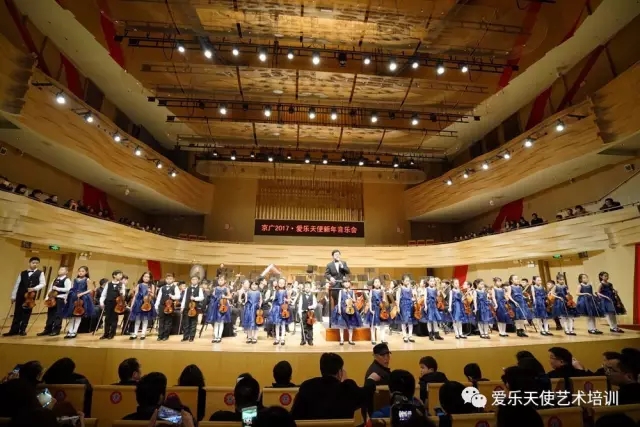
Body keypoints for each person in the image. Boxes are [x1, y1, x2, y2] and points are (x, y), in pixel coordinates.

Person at [291, 352, 377, 420]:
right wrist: (371, 379)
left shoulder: (307, 386)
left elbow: (295, 415)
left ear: (321, 370)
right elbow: (366, 394)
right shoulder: (347, 387)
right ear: (340, 372)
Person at [3, 257, 46, 336]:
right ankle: (13, 330)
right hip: (20, 295)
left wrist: (34, 288)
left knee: (26, 313)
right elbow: (17, 284)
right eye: (33, 263)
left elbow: (43, 284)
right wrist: (13, 296)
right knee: (17, 313)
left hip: (30, 296)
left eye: (37, 263)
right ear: (29, 263)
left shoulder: (40, 273)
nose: (35, 264)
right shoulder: (22, 273)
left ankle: (22, 330)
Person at [37, 266, 72, 336]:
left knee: (58, 315)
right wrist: (47, 297)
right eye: (59, 269)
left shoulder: (67, 280)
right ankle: (47, 329)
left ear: (66, 272)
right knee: (50, 314)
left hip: (60, 299)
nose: (60, 271)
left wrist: (58, 289)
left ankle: (56, 330)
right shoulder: (55, 279)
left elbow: (68, 289)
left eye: (62, 270)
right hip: (52, 298)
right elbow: (50, 289)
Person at [63, 266, 95, 338]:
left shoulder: (87, 279)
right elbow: (72, 288)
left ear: (86, 272)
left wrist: (82, 294)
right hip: (73, 298)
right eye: (79, 271)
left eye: (83, 271)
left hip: (82, 299)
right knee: (72, 315)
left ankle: (74, 331)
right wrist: (67, 297)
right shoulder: (75, 279)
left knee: (78, 315)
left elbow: (91, 289)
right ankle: (70, 331)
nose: (81, 272)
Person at [332, 280, 362, 345]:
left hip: (350, 309)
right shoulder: (341, 291)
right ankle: (341, 339)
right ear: (343, 283)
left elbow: (354, 301)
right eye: (345, 282)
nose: (347, 283)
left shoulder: (352, 291)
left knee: (351, 325)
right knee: (341, 325)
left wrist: (351, 298)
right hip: (342, 309)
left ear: (350, 283)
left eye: (348, 282)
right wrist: (339, 309)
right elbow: (339, 301)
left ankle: (350, 340)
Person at [129, 271, 156, 340]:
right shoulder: (139, 285)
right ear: (142, 277)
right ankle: (135, 333)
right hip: (138, 303)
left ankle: (143, 334)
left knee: (145, 319)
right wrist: (132, 304)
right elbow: (135, 295)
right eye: (145, 276)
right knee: (137, 319)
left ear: (150, 278)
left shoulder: (152, 286)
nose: (146, 278)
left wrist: (150, 292)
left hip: (147, 303)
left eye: (148, 277)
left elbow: (153, 296)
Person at [204, 275, 232, 343]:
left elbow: (230, 297)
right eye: (219, 280)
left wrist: (225, 296)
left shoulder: (226, 288)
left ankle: (219, 336)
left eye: (222, 280)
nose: (220, 281)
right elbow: (212, 297)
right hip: (216, 306)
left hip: (223, 306)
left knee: (221, 322)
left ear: (224, 281)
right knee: (216, 322)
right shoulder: (215, 288)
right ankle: (215, 336)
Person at [99, 270, 125, 340]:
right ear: (114, 275)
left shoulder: (122, 285)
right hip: (108, 303)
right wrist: (101, 302)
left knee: (114, 319)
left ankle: (112, 333)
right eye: (119, 275)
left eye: (121, 275)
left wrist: (121, 293)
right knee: (107, 318)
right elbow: (103, 294)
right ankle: (106, 333)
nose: (121, 276)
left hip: (117, 304)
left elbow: (123, 296)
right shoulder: (108, 284)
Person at [154, 273, 181, 341]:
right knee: (161, 321)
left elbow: (178, 296)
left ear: (173, 279)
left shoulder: (175, 287)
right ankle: (160, 335)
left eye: (170, 279)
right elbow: (159, 297)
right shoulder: (162, 288)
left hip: (170, 306)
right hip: (162, 305)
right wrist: (156, 306)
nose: (169, 280)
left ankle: (166, 335)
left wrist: (172, 296)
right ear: (166, 280)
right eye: (167, 279)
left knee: (168, 321)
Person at [366, 277, 390, 344]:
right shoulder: (372, 291)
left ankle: (383, 339)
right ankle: (373, 339)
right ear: (373, 284)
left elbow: (384, 300)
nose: (377, 283)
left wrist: (383, 292)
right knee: (373, 325)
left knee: (383, 324)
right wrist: (371, 309)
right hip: (374, 309)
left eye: (378, 282)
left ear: (380, 283)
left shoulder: (382, 291)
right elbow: (370, 301)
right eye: (375, 282)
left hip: (381, 309)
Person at [180, 276, 205, 342]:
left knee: (193, 323)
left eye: (195, 279)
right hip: (187, 307)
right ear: (191, 280)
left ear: (198, 281)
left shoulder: (199, 289)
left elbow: (202, 297)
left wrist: (195, 298)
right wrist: (182, 307)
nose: (194, 280)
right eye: (192, 279)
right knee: (186, 323)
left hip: (194, 308)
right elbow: (184, 298)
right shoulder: (187, 288)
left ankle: (191, 337)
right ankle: (185, 337)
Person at [269, 277, 291, 346]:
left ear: (285, 284)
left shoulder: (286, 291)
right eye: (280, 282)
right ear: (278, 283)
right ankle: (277, 339)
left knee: (283, 324)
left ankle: (282, 339)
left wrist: (286, 300)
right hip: (277, 309)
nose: (281, 284)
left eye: (283, 283)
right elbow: (274, 300)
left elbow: (289, 301)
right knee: (277, 324)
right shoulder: (276, 291)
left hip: (284, 309)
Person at [422, 277, 444, 341]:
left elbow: (438, 296)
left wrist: (439, 291)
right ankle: (430, 334)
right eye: (431, 281)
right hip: (429, 305)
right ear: (428, 282)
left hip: (434, 306)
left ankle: (437, 334)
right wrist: (425, 306)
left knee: (435, 320)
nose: (432, 282)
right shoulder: (426, 289)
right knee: (429, 320)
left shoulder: (435, 289)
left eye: (433, 281)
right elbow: (425, 298)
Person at [396, 275, 416, 343]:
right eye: (406, 280)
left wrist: (414, 295)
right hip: (403, 306)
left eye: (408, 280)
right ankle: (404, 335)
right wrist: (398, 307)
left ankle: (410, 335)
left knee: (410, 321)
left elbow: (413, 297)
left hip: (410, 305)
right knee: (404, 321)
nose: (408, 281)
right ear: (402, 281)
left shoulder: (411, 288)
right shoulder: (400, 289)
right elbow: (398, 299)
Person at [297, 281, 316, 346]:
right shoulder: (302, 295)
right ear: (304, 288)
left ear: (310, 288)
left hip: (310, 313)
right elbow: (300, 305)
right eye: (306, 287)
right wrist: (299, 312)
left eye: (308, 287)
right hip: (304, 312)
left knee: (310, 327)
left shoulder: (313, 295)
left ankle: (310, 340)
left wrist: (311, 307)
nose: (307, 288)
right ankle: (303, 340)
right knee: (303, 327)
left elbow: (315, 304)